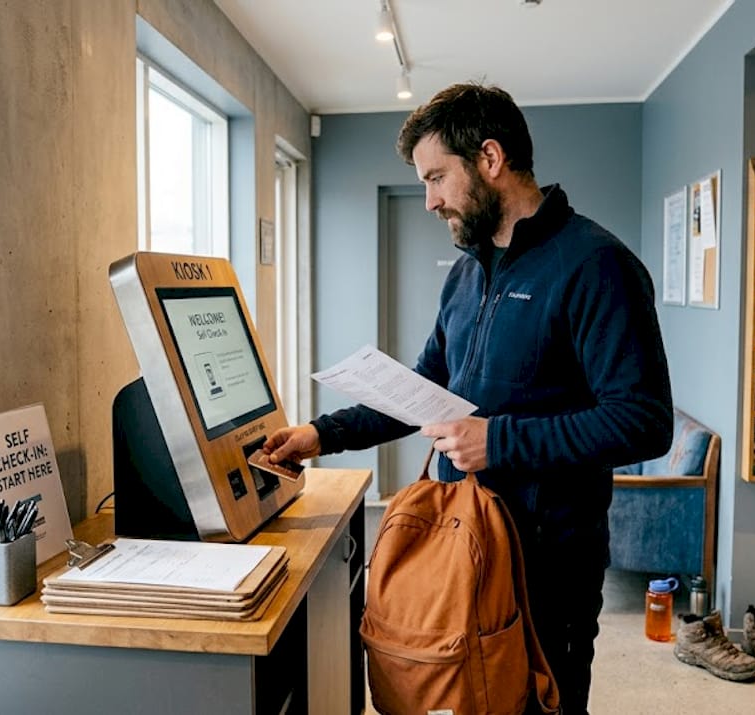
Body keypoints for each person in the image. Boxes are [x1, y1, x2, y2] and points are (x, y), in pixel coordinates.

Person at [263, 82, 673, 714]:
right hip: (463, 547)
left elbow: (644, 421)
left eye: (436, 178)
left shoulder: (596, 265)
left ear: (489, 159)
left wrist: (499, 439)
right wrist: (322, 434)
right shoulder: (466, 272)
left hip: (547, 569)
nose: (428, 201)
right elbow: (426, 391)